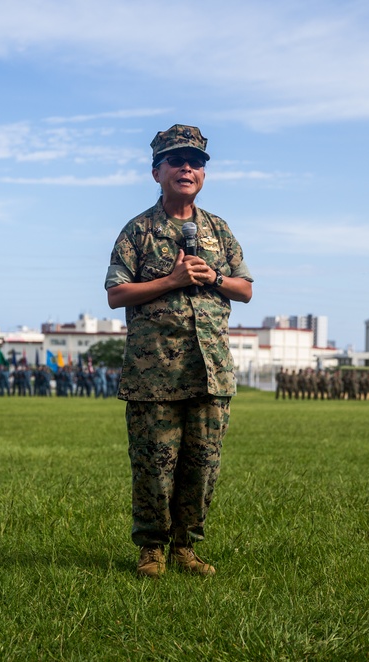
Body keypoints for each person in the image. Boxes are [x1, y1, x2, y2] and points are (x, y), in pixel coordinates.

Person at [105, 124, 254, 579]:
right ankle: (152, 548)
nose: (187, 167)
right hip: (155, 378)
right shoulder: (139, 230)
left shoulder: (219, 231)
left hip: (211, 374)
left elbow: (245, 289)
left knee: (201, 466)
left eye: (196, 162)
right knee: (153, 467)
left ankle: (186, 547)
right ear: (157, 172)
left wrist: (212, 277)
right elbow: (116, 294)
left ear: (203, 175)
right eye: (176, 160)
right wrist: (171, 280)